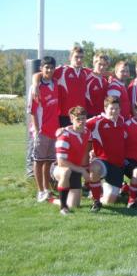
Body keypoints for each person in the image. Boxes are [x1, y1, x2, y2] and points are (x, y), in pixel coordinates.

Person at [86, 96, 126, 211]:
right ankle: (96, 200)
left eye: (117, 109)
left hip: (117, 165)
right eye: (111, 108)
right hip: (103, 161)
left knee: (110, 201)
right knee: (94, 167)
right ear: (105, 108)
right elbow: (80, 124)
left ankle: (101, 189)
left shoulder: (121, 120)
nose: (114, 111)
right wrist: (64, 129)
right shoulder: (97, 121)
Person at [32, 46, 89, 127]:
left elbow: (100, 73)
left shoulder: (86, 72)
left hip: (81, 116)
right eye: (76, 57)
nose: (79, 60)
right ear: (70, 57)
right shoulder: (62, 70)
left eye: (81, 57)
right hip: (65, 116)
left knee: (79, 139)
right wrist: (35, 85)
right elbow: (38, 74)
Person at [28, 56, 59, 202]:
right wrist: (36, 129)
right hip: (41, 131)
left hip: (54, 130)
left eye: (52, 67)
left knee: (48, 162)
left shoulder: (56, 83)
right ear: (41, 69)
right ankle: (40, 191)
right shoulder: (36, 88)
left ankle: (47, 189)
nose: (49, 70)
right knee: (38, 161)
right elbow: (32, 111)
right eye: (46, 67)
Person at [53, 106, 90, 215]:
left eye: (83, 118)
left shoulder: (87, 132)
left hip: (76, 169)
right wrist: (82, 170)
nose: (81, 121)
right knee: (66, 171)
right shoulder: (64, 135)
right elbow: (61, 162)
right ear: (71, 119)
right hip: (59, 168)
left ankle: (54, 199)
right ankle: (63, 207)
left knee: (74, 204)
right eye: (78, 119)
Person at [86, 53, 109, 117]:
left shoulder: (105, 80)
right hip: (89, 116)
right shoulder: (87, 78)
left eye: (104, 65)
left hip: (102, 115)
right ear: (94, 63)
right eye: (100, 64)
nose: (102, 67)